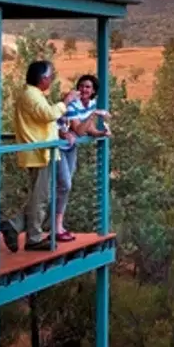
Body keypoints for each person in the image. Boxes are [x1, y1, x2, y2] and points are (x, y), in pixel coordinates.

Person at [0, 60, 77, 253]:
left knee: (41, 196)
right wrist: (65, 102)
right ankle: (33, 238)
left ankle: (15, 225)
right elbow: (47, 115)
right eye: (51, 76)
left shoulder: (35, 95)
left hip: (44, 152)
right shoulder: (31, 96)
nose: (51, 80)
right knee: (40, 197)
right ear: (43, 78)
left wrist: (61, 133)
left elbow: (43, 123)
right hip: (39, 153)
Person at [52, 73, 110, 242]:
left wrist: (101, 133)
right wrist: (94, 115)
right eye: (82, 86)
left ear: (93, 91)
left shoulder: (90, 104)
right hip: (57, 146)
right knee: (65, 185)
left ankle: (58, 226)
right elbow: (79, 129)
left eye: (88, 87)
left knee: (65, 186)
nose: (84, 89)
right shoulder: (72, 104)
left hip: (70, 147)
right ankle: (54, 227)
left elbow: (88, 129)